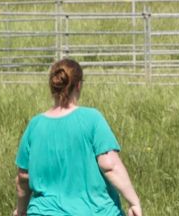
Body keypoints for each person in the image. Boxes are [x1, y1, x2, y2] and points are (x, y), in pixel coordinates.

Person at [14, 59, 142, 216]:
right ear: (79, 85)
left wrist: (21, 210)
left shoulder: (35, 125)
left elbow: (23, 177)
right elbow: (109, 165)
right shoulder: (92, 119)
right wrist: (134, 202)